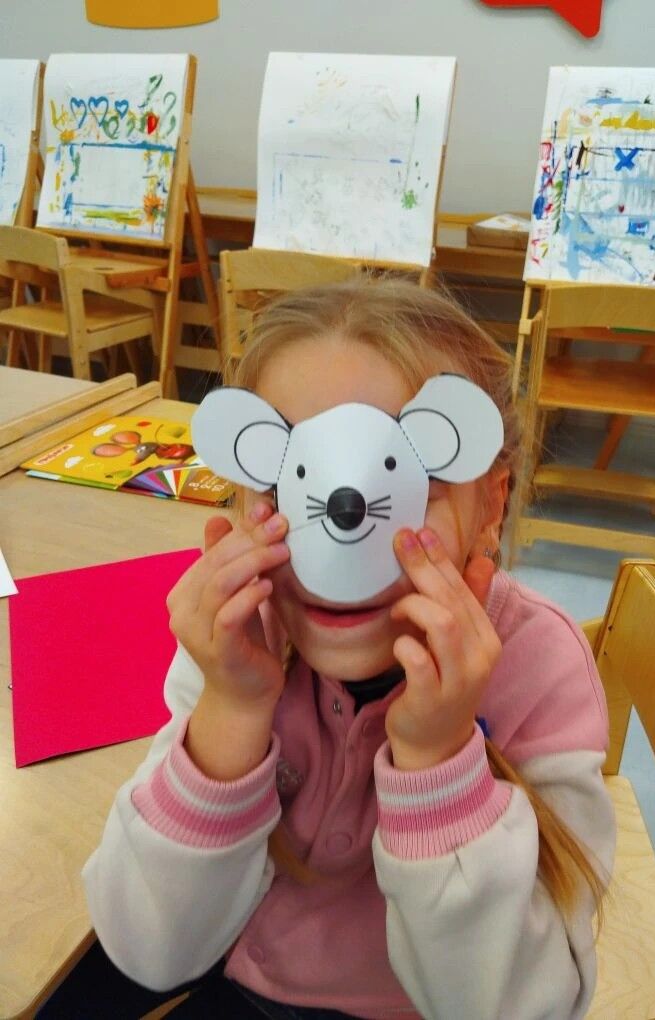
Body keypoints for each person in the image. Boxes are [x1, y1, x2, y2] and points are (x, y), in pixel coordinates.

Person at [78, 279, 615, 1019]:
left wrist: (439, 759)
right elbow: (152, 951)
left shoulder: (539, 669)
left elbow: (532, 1008)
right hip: (244, 986)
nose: (338, 540)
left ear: (491, 504)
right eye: (288, 484)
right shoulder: (243, 638)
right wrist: (232, 711)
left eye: (408, 481)